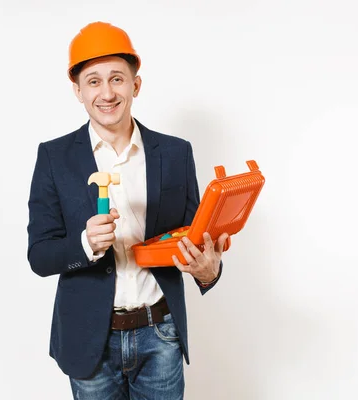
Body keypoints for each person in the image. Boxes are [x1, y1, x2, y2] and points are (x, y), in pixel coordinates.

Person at [27, 21, 229, 400]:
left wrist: (209, 270)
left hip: (160, 334)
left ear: (135, 85)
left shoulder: (175, 153)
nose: (107, 92)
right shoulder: (54, 157)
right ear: (78, 91)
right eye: (94, 81)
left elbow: (195, 234)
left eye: (117, 79)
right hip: (89, 338)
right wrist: (85, 244)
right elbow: (39, 255)